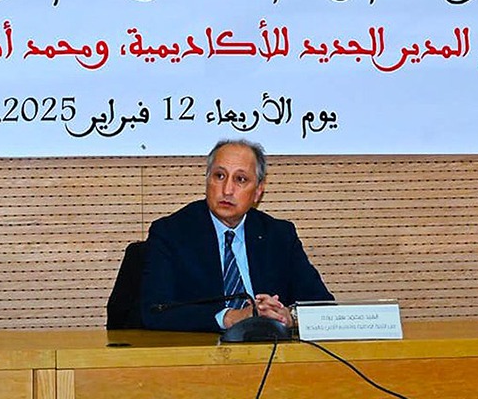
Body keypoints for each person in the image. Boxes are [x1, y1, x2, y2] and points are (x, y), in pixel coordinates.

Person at [140, 139, 333, 332]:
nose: (227, 190)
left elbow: (322, 306)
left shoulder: (279, 236)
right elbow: (154, 311)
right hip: (203, 348)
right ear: (207, 181)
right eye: (219, 176)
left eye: (240, 179)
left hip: (269, 346)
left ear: (258, 191)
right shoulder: (171, 233)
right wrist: (230, 317)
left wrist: (289, 317)